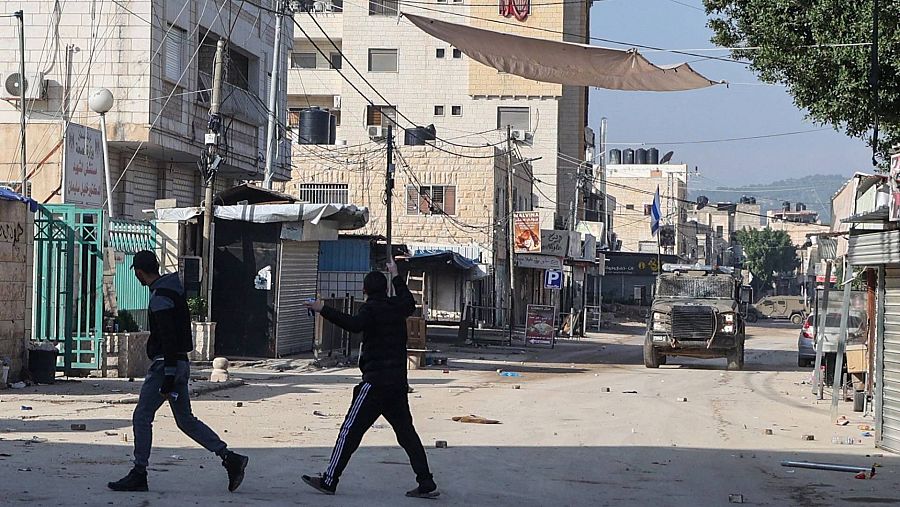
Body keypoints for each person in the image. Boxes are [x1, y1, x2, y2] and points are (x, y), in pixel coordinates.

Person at [108, 250, 249, 493]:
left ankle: (139, 473)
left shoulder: (160, 297)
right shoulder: (172, 289)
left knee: (142, 416)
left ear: (140, 273)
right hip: (179, 364)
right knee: (185, 420)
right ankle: (230, 458)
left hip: (166, 365)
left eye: (138, 275)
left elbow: (169, 337)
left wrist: (169, 376)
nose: (138, 279)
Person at [302, 261, 439, 499]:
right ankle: (426, 481)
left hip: (375, 383)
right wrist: (396, 275)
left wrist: (322, 308)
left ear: (364, 291)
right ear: (385, 289)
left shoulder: (370, 309)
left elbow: (353, 326)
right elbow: (409, 300)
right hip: (396, 384)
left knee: (349, 432)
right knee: (407, 434)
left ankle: (329, 480)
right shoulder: (397, 306)